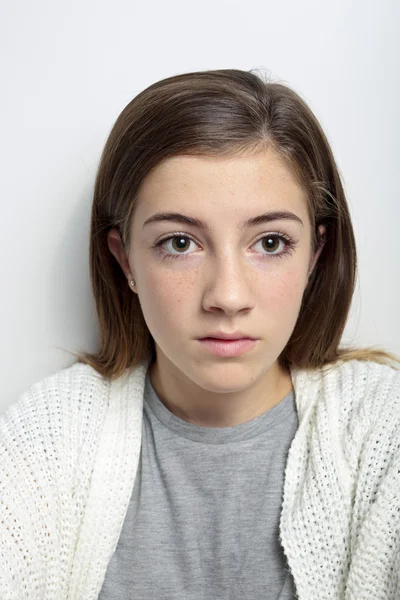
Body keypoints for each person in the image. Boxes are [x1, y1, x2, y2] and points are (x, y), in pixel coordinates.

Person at [1, 69, 399, 600]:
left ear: (316, 256)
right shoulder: (52, 434)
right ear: (125, 262)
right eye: (180, 243)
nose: (228, 296)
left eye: (272, 242)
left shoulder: (383, 430)